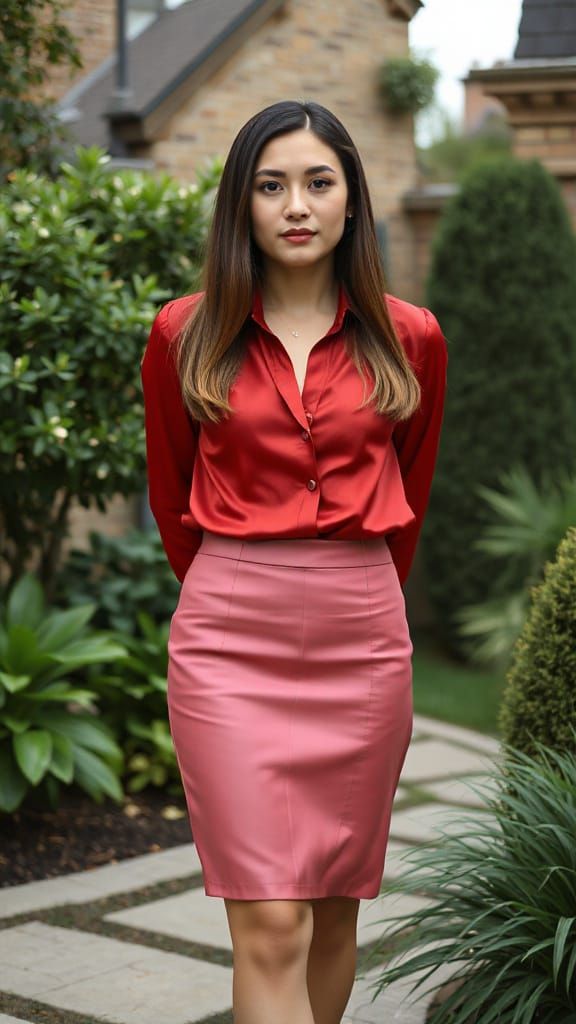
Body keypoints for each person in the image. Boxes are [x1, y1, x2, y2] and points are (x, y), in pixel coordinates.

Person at [141, 99, 447, 1024]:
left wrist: (354, 596)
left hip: (361, 636)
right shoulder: (182, 333)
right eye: (271, 185)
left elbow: (414, 491)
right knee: (271, 922)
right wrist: (238, 586)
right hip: (231, 635)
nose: (296, 204)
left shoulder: (413, 336)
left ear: (353, 198)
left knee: (332, 908)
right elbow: (171, 494)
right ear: (243, 204)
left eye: (319, 182)